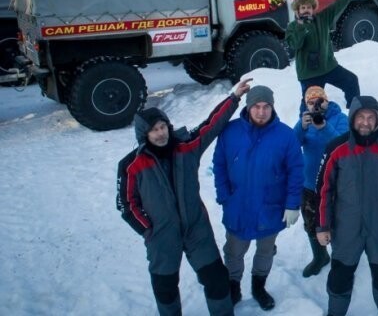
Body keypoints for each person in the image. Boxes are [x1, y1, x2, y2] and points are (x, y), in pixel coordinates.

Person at [116, 78, 252, 316]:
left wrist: (234, 98)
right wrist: (149, 229)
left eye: (162, 127)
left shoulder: (186, 147)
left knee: (217, 279)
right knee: (165, 287)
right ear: (143, 134)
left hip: (196, 227)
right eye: (153, 130)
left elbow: (211, 125)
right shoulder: (131, 165)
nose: (160, 134)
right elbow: (126, 204)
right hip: (161, 235)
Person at [211, 85, 304, 311]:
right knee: (234, 252)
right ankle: (233, 286)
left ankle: (258, 286)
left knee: (265, 251)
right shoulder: (230, 131)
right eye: (256, 106)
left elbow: (296, 170)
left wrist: (293, 204)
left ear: (272, 107)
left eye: (266, 106)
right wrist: (224, 195)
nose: (261, 112)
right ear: (248, 106)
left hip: (269, 208)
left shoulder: (285, 135)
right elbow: (219, 164)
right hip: (238, 207)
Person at [316, 96, 378, 316]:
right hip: (346, 227)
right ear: (352, 119)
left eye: (371, 118)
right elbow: (323, 191)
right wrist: (322, 226)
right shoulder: (337, 148)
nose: (365, 122)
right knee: (341, 276)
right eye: (361, 117)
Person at [293, 85, 349, 278]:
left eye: (320, 101)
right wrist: (301, 126)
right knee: (311, 222)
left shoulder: (340, 119)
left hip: (335, 185)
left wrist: (324, 127)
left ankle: (341, 257)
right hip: (309, 185)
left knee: (338, 223)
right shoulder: (304, 121)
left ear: (327, 100)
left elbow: (343, 145)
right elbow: (291, 145)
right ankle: (320, 257)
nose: (316, 105)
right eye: (311, 102)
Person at [285, 0, 361, 108]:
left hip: (329, 67)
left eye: (309, 7)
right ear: (298, 10)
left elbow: (337, 5)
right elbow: (295, 45)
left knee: (351, 81)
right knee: (311, 104)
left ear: (313, 9)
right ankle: (305, 124)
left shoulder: (322, 18)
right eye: (303, 8)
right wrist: (301, 27)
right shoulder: (293, 27)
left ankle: (353, 111)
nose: (306, 10)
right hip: (309, 74)